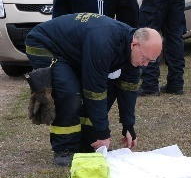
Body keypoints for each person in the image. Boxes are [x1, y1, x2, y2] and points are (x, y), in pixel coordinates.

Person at [25, 13, 163, 167]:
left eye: (150, 61)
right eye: (145, 58)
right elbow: (94, 90)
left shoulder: (133, 52)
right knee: (69, 93)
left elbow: (127, 90)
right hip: (45, 44)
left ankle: (86, 141)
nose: (145, 65)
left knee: (105, 90)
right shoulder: (104, 43)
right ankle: (64, 149)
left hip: (74, 50)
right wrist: (104, 133)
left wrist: (128, 125)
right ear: (134, 44)